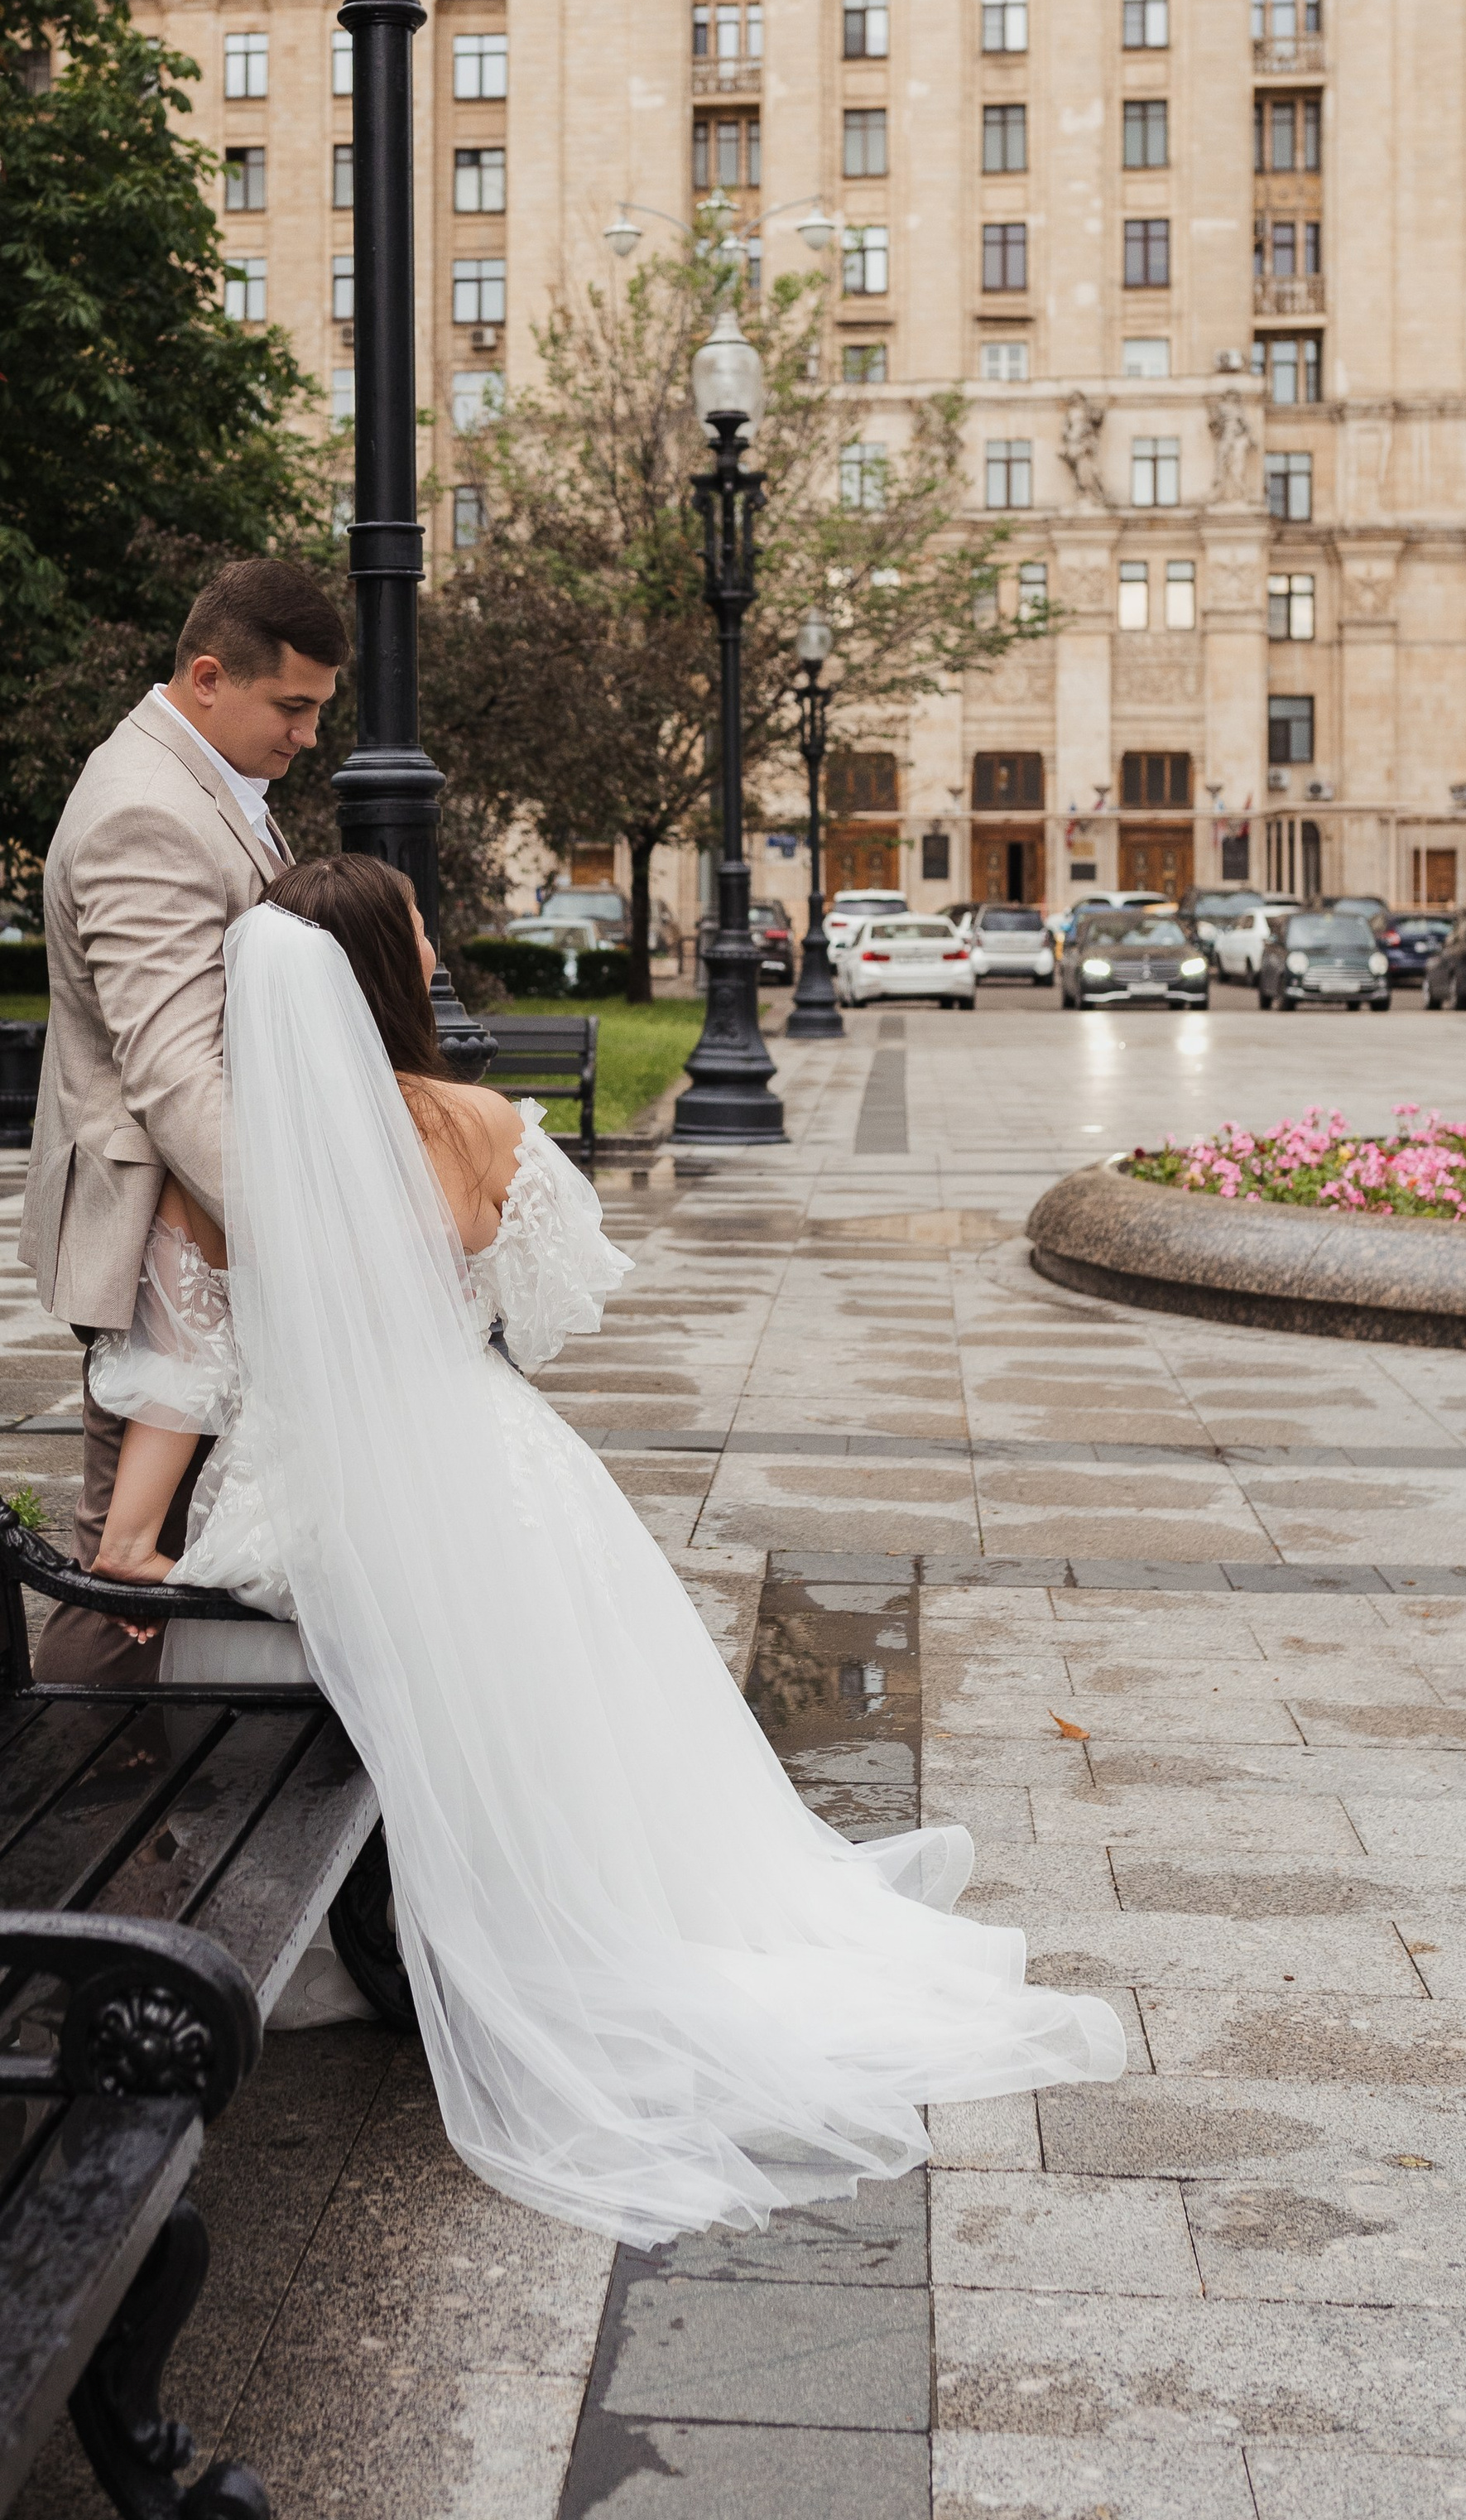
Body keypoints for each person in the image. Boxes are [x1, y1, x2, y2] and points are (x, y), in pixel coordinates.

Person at [118, 852, 1126, 2248]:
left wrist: (121, 1542)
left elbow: (184, 1373)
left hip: (297, 1481)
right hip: (488, 1464)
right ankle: (534, 1920)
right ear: (374, 975)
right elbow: (536, 1311)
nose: (432, 950)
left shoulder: (224, 1166)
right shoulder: (475, 1126)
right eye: (416, 931)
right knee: (554, 1709)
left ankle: (385, 1934)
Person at [17, 558, 345, 1681]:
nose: (305, 736)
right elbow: (174, 1076)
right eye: (291, 707)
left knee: (158, 1546)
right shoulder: (146, 811)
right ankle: (59, 1793)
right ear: (209, 677)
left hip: (200, 1230)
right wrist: (311, 1238)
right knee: (120, 1566)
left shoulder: (198, 784)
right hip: (165, 1250)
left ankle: (134, 1791)